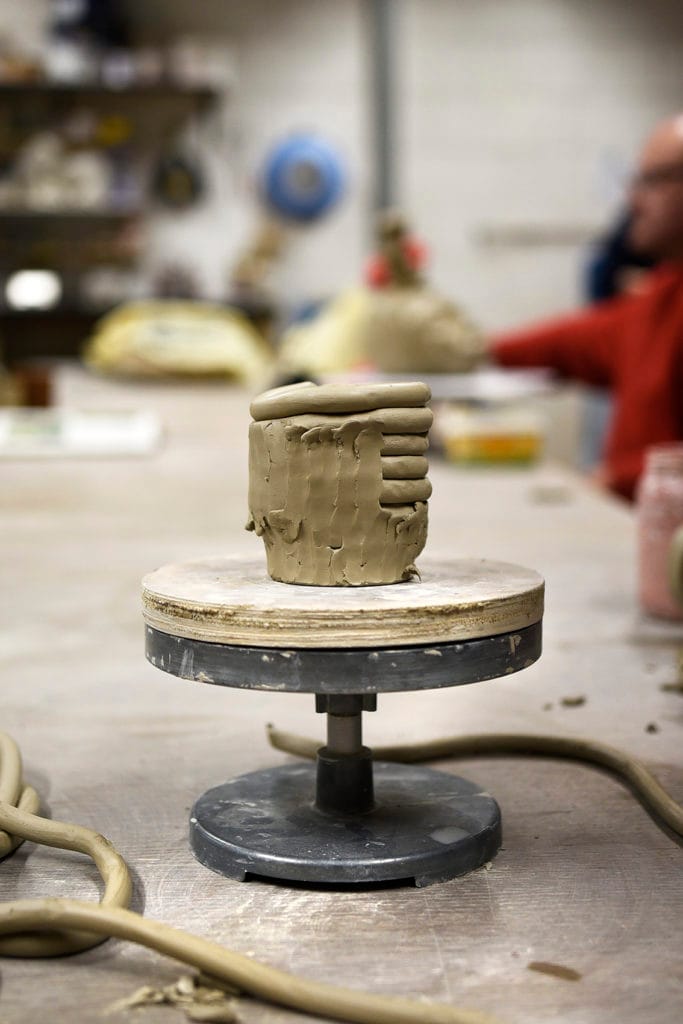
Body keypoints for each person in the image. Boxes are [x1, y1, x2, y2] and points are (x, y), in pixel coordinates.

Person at [490, 114, 683, 500]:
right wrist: (471, 349)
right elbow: (569, 342)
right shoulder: (662, 298)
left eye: (651, 180)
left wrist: (621, 477)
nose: (632, 201)